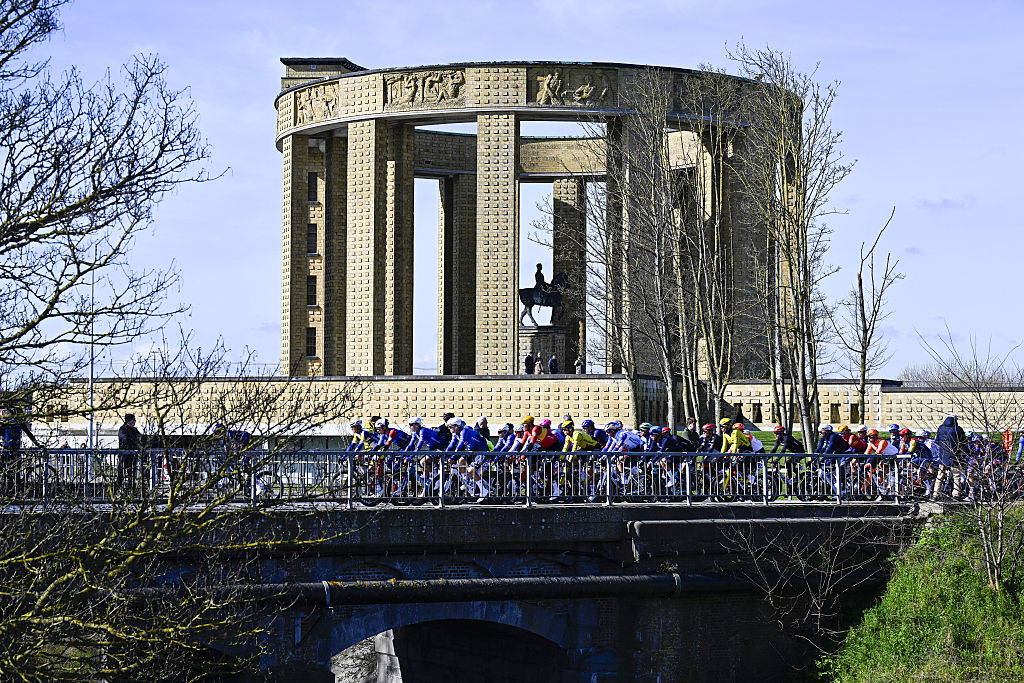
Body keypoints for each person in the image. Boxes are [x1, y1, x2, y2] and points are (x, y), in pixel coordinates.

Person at [934, 415, 968, 500]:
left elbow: (937, 441)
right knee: (956, 476)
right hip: (954, 456)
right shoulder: (958, 429)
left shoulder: (941, 428)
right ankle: (956, 494)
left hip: (942, 456)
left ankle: (935, 494)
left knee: (940, 476)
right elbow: (963, 442)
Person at [117, 413, 142, 491]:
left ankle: (131, 487)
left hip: (132, 454)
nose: (134, 422)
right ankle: (119, 487)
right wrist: (133, 441)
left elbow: (140, 438)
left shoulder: (134, 430)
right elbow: (124, 439)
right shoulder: (123, 429)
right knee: (121, 471)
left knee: (131, 471)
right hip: (124, 454)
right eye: (133, 420)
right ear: (129, 421)